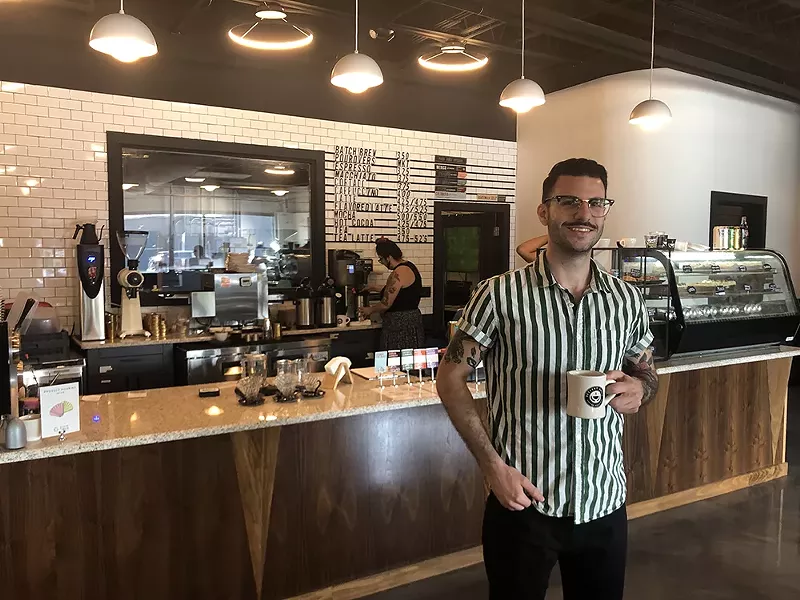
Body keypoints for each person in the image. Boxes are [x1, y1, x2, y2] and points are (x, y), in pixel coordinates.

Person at [436, 158, 658, 600]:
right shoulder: (498, 295)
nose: (584, 212)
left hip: (602, 502)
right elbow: (450, 377)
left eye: (596, 203)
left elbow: (645, 369)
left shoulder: (627, 299)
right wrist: (492, 467)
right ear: (544, 211)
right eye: (569, 201)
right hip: (523, 504)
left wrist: (641, 388)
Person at [358, 238, 424, 350]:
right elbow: (399, 291)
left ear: (388, 257)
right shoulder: (409, 266)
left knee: (396, 360)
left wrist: (369, 310)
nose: (382, 263)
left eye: (381, 259)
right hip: (411, 321)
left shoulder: (399, 272)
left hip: (400, 325)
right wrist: (373, 287)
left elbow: (386, 303)